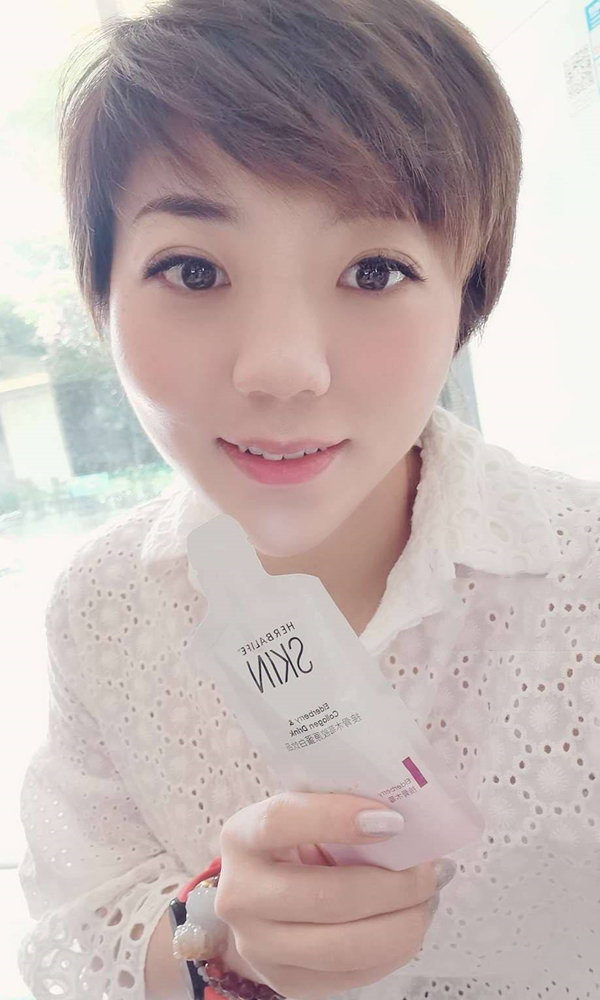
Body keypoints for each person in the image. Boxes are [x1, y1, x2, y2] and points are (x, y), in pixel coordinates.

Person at [16, 0, 600, 998]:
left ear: (467, 295)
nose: (282, 369)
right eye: (193, 269)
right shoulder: (103, 601)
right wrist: (223, 945)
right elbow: (74, 920)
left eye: (373, 270)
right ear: (100, 297)